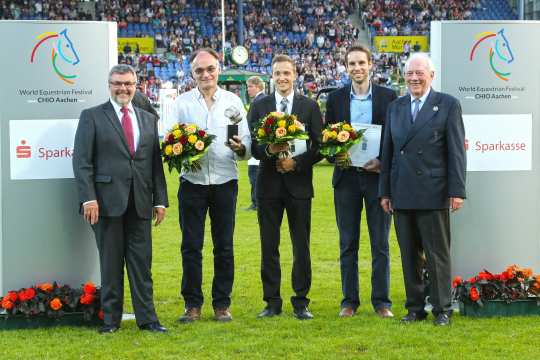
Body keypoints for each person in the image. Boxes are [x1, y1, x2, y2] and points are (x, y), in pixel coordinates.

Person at [73, 64, 168, 334]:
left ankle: (148, 320)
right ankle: (110, 321)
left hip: (140, 203)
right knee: (111, 263)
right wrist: (88, 199)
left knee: (142, 265)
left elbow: (154, 164)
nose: (123, 88)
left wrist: (160, 200)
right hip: (104, 204)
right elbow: (81, 162)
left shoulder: (147, 119)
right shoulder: (91, 116)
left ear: (136, 85)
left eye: (128, 84)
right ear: (109, 85)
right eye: (117, 83)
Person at [379, 53, 466, 326]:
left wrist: (457, 190)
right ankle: (415, 308)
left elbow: (456, 152)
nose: (414, 78)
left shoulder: (448, 105)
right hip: (402, 192)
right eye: (409, 74)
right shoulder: (396, 107)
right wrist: (385, 191)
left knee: (437, 255)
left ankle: (442, 309)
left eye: (419, 73)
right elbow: (388, 152)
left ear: (431, 75)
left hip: (434, 192)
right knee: (409, 255)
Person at [171, 48, 251, 323]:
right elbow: (168, 142)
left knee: (224, 246)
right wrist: (183, 153)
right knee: (191, 246)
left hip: (225, 181)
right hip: (192, 182)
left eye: (210, 69)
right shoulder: (181, 103)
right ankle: (192, 305)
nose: (205, 74)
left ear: (219, 70)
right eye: (199, 71)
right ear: (192, 74)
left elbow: (248, 145)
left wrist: (241, 148)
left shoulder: (233, 102)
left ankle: (221, 305)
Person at [248, 54, 322, 320]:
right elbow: (253, 146)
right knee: (269, 245)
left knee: (300, 245)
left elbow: (320, 146)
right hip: (268, 186)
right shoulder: (260, 106)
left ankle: (301, 301)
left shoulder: (309, 106)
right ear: (272, 76)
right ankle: (272, 301)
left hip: (299, 187)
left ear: (295, 75)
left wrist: (297, 163)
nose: (282, 78)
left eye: (287, 73)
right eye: (277, 73)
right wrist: (269, 149)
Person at [325, 45, 397, 318]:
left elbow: (394, 137)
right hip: (346, 179)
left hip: (377, 178)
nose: (357, 68)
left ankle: (382, 302)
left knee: (380, 243)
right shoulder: (335, 98)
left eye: (361, 63)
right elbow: (327, 139)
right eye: (352, 64)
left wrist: (382, 162)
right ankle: (349, 301)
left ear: (370, 65)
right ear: (346, 67)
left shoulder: (388, 97)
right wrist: (336, 156)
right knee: (348, 243)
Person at [245, 76, 266, 211]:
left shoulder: (258, 101)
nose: (248, 90)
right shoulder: (263, 100)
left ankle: (256, 202)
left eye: (250, 86)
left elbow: (252, 124)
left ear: (257, 86)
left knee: (254, 175)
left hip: (257, 144)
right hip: (261, 143)